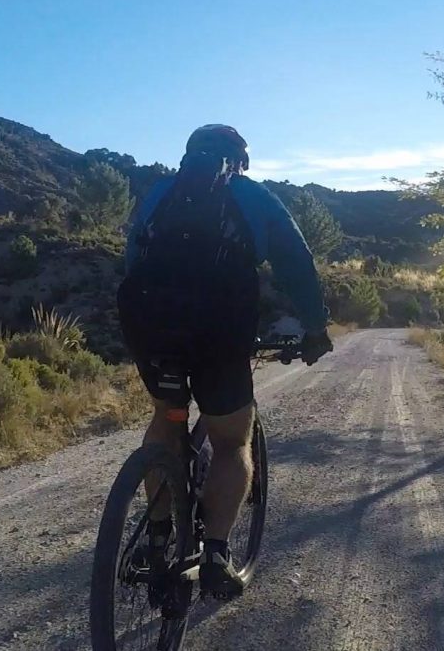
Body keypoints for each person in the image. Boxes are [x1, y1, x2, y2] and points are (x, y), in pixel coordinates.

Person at [117, 124, 332, 599]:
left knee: (167, 414)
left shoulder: (159, 192)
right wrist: (315, 328)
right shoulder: (252, 196)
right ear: (241, 161)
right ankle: (215, 552)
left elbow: (133, 255)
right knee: (232, 439)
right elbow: (296, 262)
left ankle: (156, 535)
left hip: (148, 316)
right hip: (219, 323)